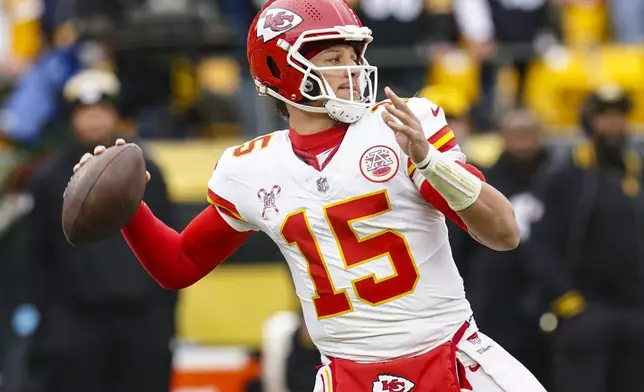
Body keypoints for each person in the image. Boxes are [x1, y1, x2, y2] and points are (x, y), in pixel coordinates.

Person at [74, 0, 546, 390]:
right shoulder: (252, 168)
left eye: (355, 56)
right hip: (346, 374)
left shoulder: (402, 125)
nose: (353, 71)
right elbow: (178, 265)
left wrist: (429, 161)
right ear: (280, 69)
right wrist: (127, 206)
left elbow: (503, 232)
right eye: (333, 59)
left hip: (450, 358)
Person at [15, 69, 177, 392]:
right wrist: (43, 321)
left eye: (101, 110)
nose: (93, 120)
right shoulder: (47, 179)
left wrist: (165, 318)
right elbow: (34, 254)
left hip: (140, 320)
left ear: (115, 113)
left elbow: (169, 245)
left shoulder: (147, 172)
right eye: (84, 112)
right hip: (74, 323)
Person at [528, 85, 644, 392]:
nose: (613, 124)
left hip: (636, 311)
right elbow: (539, 243)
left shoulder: (637, 174)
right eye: (604, 116)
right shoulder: (564, 177)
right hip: (586, 311)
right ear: (588, 121)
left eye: (619, 116)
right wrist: (567, 299)